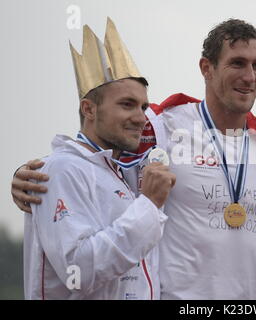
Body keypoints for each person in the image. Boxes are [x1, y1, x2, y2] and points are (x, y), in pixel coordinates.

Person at [11, 19, 256, 299]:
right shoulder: (161, 127)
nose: (250, 76)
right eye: (237, 63)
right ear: (206, 68)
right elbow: (96, 145)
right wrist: (32, 174)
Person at [22, 18, 175, 299]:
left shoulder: (113, 171)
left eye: (143, 106)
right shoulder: (62, 169)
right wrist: (149, 205)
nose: (141, 118)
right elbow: (77, 272)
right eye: (127, 105)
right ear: (89, 109)